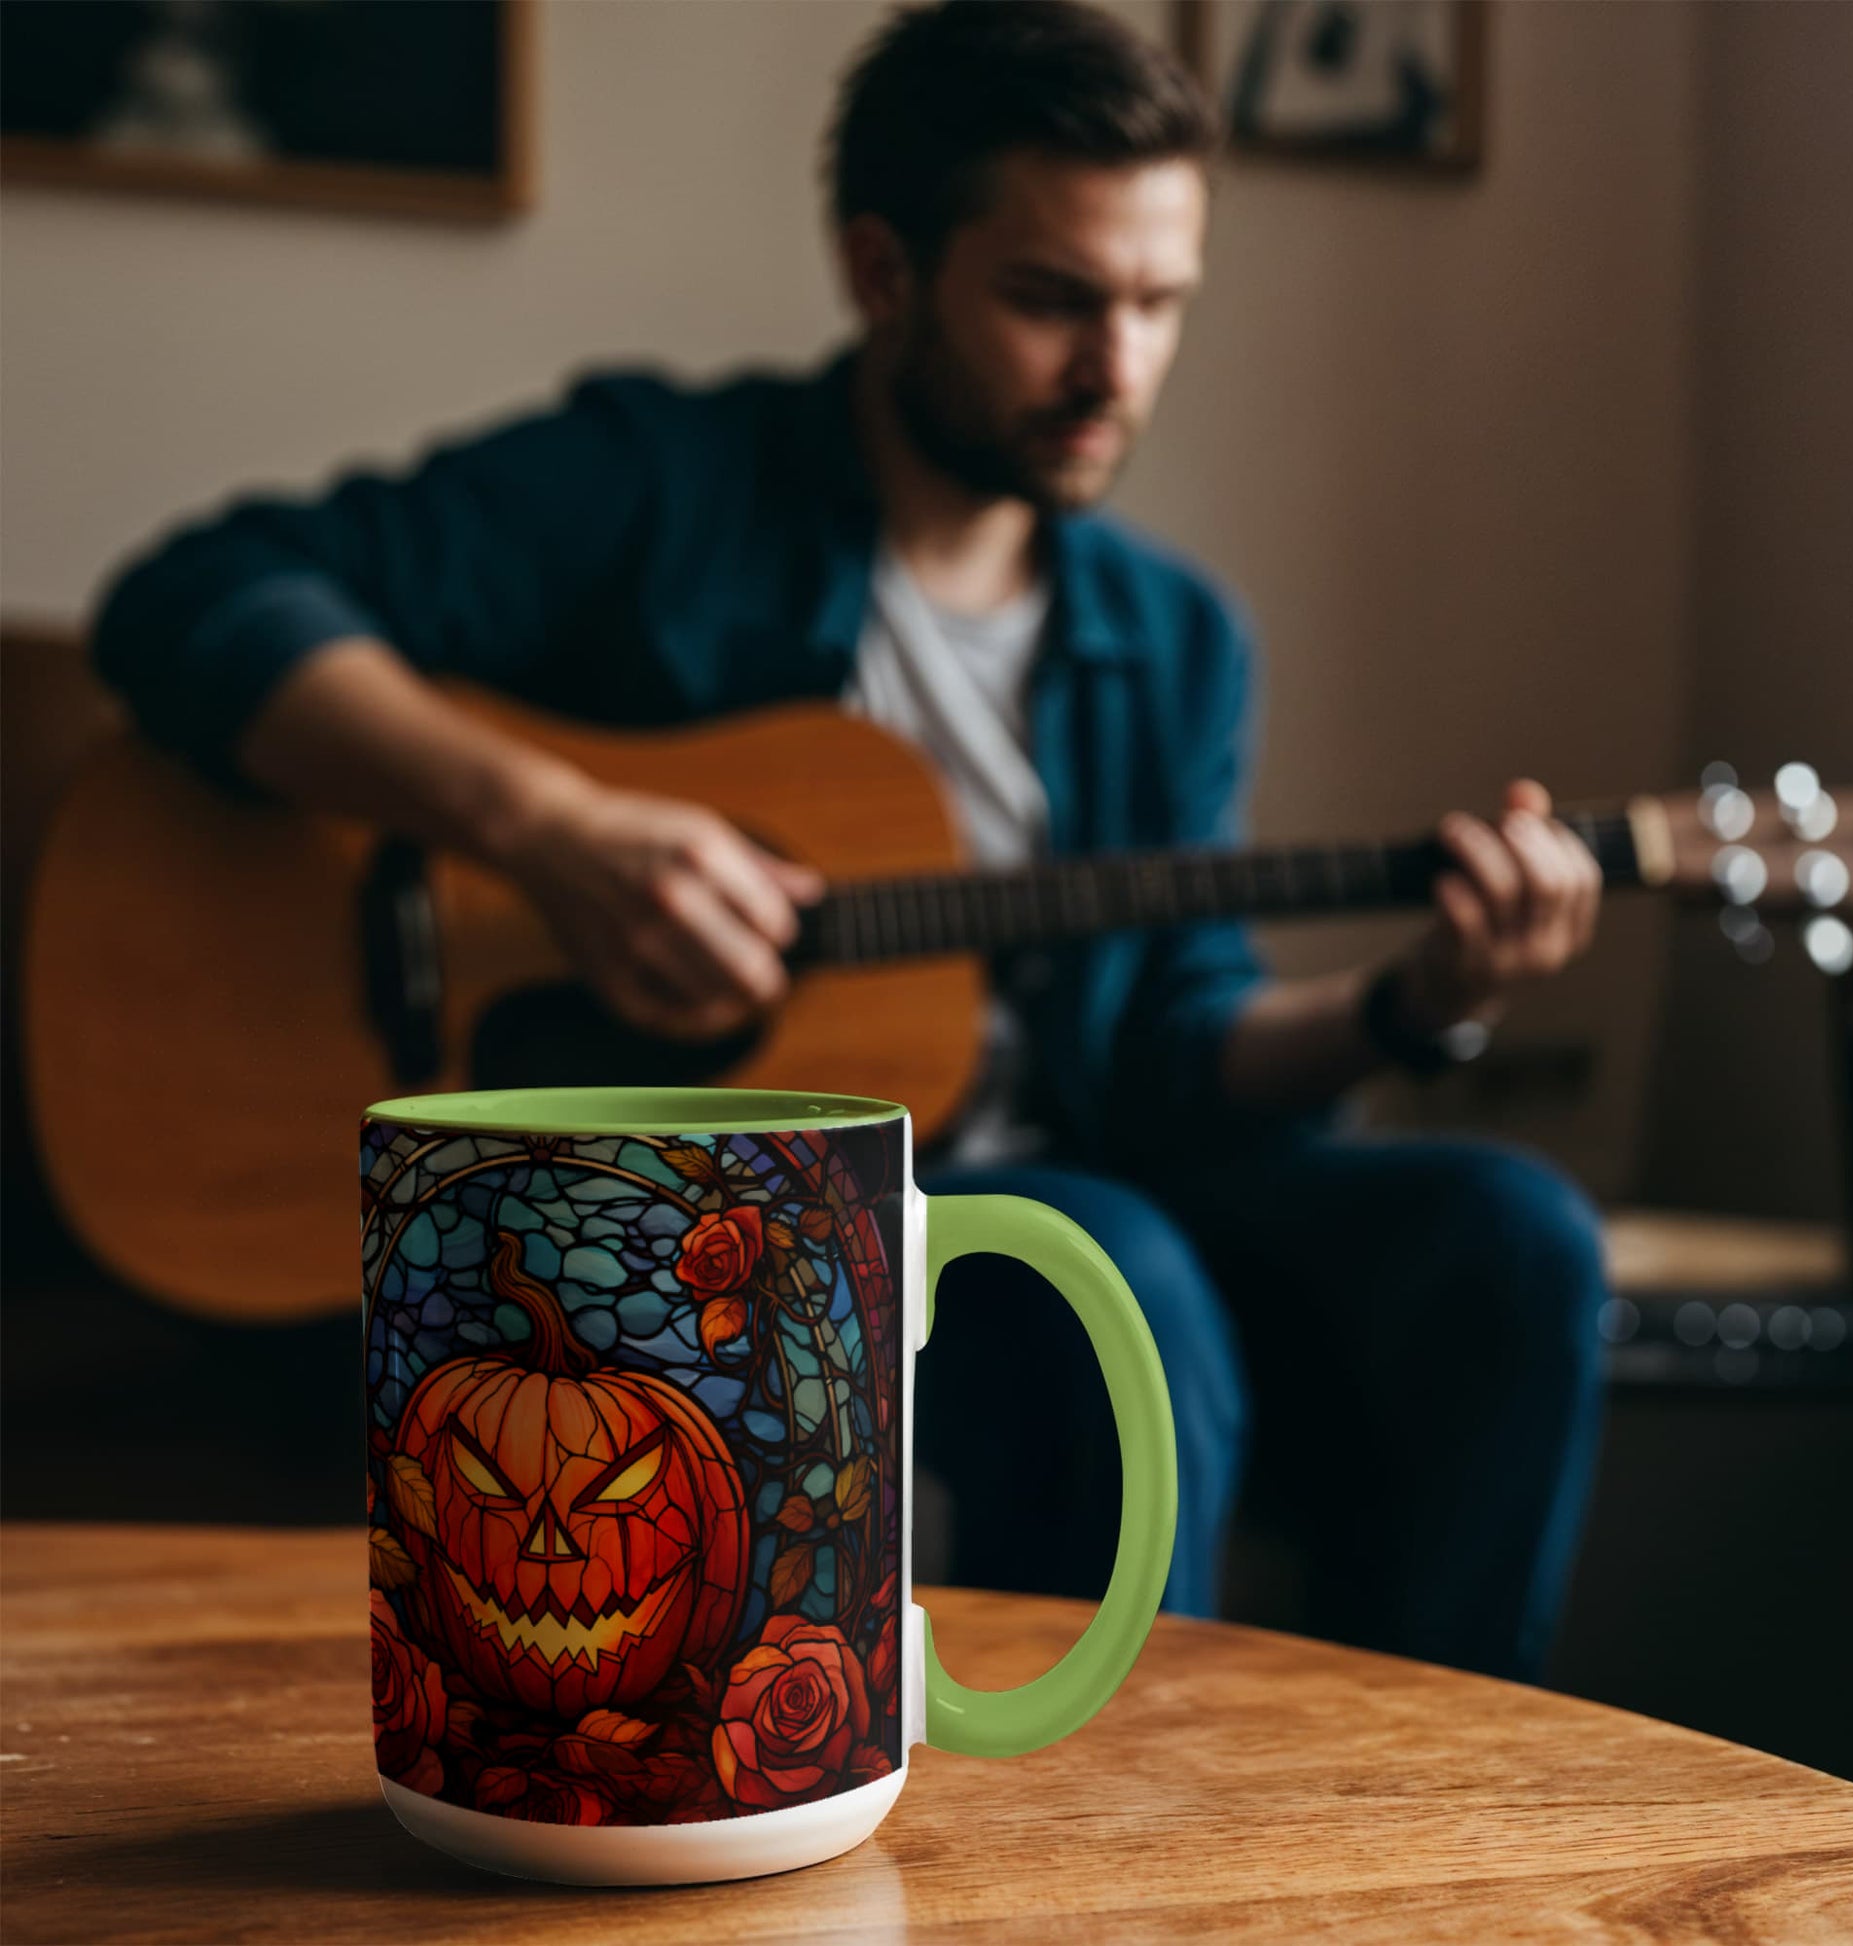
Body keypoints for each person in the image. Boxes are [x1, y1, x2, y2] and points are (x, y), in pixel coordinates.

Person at [93, 0, 1607, 1683]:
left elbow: (1181, 1039)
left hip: (1090, 1182)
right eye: (1053, 300)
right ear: (883, 271)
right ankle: (1088, 1837)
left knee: (1513, 1234)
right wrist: (553, 825)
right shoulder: (661, 486)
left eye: (1160, 304)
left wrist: (1416, 1000)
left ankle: (1451, 1786)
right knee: (1108, 1257)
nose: (1118, 369)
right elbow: (197, 595)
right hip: (747, 1226)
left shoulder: (1176, 638)